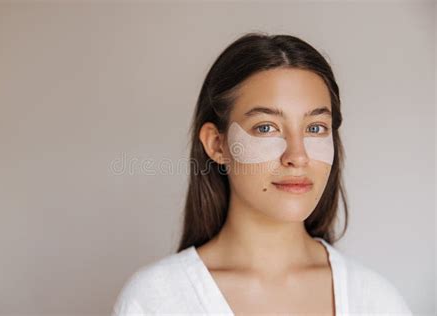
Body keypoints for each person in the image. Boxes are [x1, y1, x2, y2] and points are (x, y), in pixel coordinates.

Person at [111, 32, 412, 315]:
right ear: (217, 145)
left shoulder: (376, 300)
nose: (297, 156)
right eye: (266, 127)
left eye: (315, 128)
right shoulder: (156, 299)